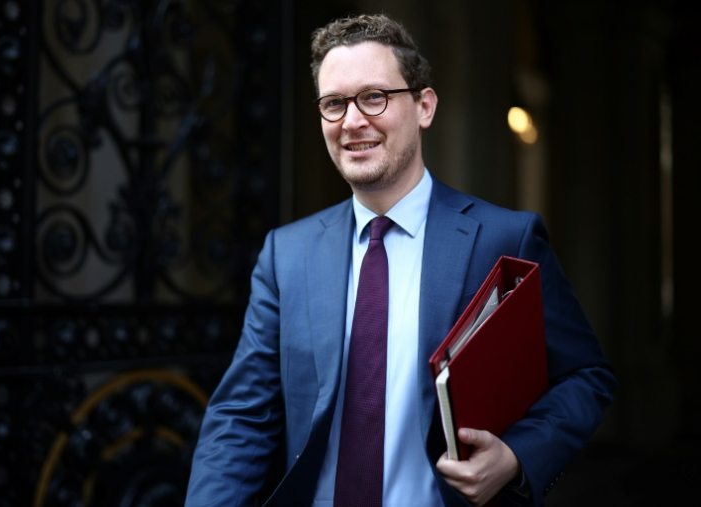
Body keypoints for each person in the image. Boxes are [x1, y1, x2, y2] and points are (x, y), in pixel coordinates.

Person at [185, 13, 617, 507]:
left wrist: (517, 456)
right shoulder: (288, 253)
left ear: (424, 106)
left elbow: (585, 376)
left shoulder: (505, 238)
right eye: (333, 103)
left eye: (374, 97)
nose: (352, 121)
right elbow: (242, 416)